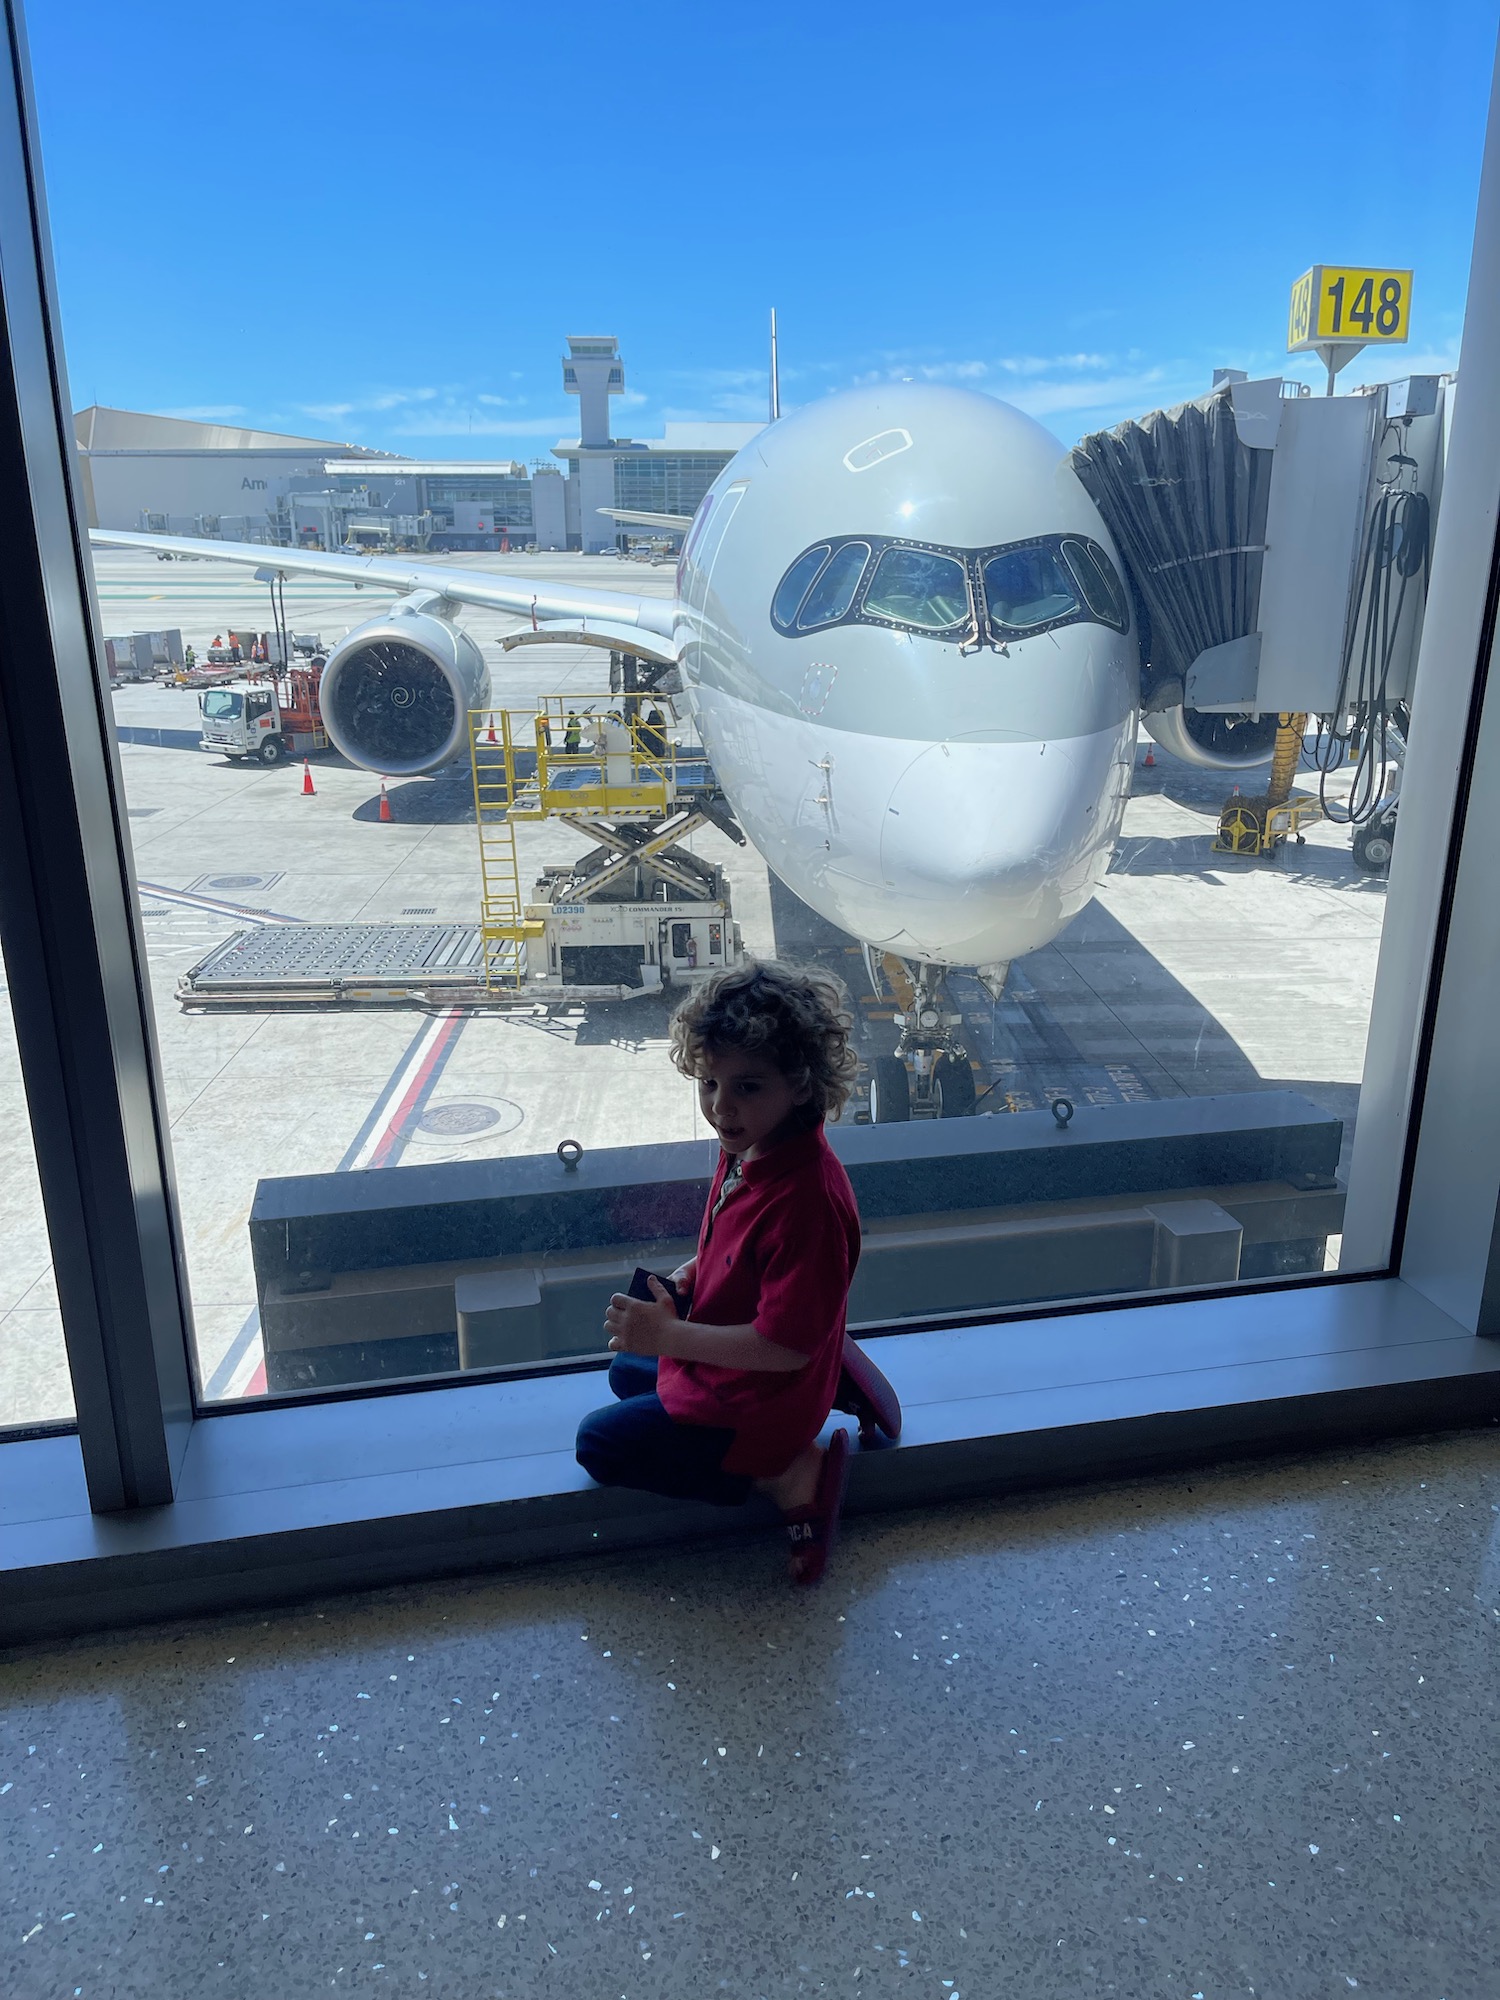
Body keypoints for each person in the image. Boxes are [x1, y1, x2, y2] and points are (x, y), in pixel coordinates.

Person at [576, 960, 865, 1585]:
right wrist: (692, 1272)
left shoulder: (805, 1201)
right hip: (745, 1364)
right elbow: (737, 1245)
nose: (721, 1108)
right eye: (709, 1083)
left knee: (598, 1444)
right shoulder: (754, 1147)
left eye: (748, 1087)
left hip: (767, 1394)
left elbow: (785, 1347)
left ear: (803, 1084)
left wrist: (669, 1338)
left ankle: (787, 1472)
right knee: (626, 1370)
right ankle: (801, 1402)